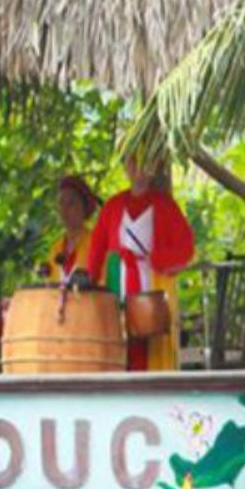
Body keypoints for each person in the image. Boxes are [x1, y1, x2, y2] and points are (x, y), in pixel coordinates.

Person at [84, 156, 196, 371]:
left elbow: (187, 248)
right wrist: (90, 279)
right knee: (119, 335)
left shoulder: (165, 205)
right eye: (133, 164)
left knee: (152, 341)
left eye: (145, 164)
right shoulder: (113, 205)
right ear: (126, 168)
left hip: (153, 280)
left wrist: (161, 260)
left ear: (153, 168)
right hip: (120, 278)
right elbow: (97, 248)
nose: (139, 170)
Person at [41, 174, 102, 283]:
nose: (64, 209)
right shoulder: (56, 248)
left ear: (84, 207)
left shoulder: (97, 243)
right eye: (61, 203)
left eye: (71, 203)